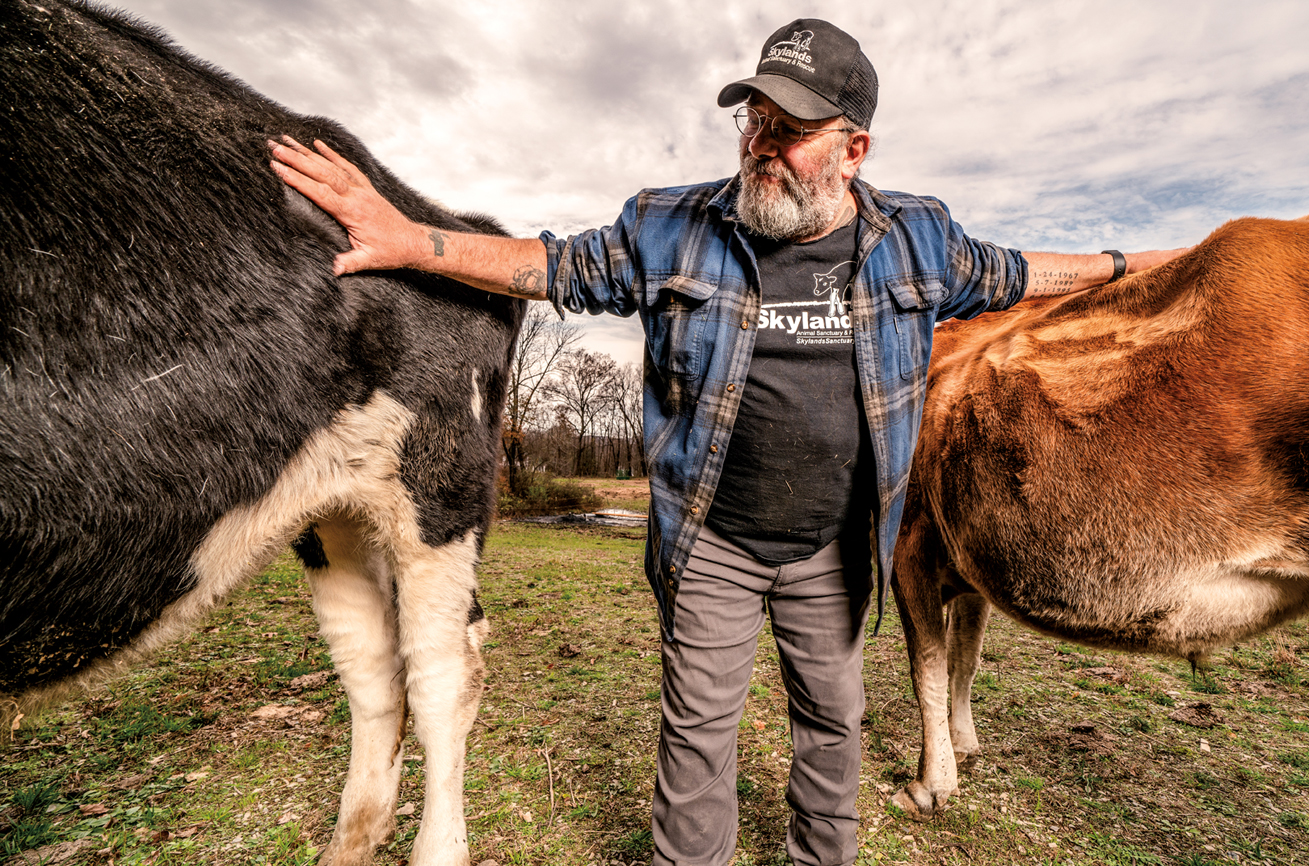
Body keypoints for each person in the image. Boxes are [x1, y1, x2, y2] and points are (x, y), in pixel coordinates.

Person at [270, 18, 1185, 866]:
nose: (761, 145)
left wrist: (1143, 265)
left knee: (833, 725)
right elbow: (551, 267)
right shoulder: (671, 225)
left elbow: (1019, 273)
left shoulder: (919, 239)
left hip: (834, 546)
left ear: (853, 149)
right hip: (713, 542)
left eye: (789, 130)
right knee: (697, 735)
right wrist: (412, 240)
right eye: (754, 120)